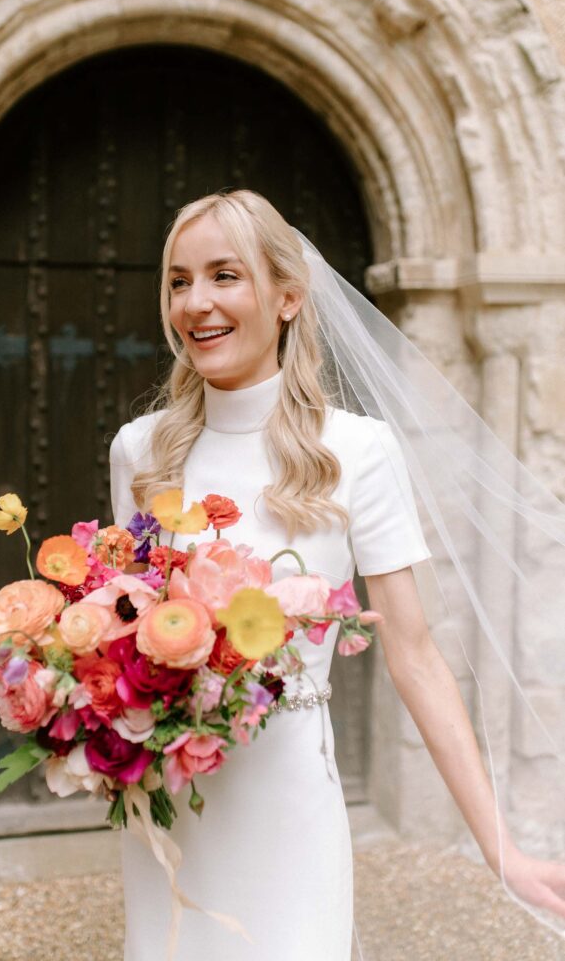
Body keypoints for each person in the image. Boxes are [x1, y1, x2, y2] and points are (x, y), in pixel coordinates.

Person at [109, 189, 565, 960]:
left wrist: (500, 849)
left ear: (288, 296)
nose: (196, 303)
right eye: (179, 281)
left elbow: (415, 658)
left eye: (225, 275)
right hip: (170, 805)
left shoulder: (356, 452)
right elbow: (126, 629)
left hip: (289, 799)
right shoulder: (140, 452)